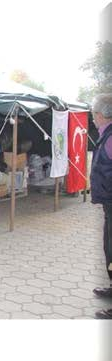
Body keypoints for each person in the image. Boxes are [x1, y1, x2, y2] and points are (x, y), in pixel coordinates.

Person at [90, 93, 112, 318]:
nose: (92, 119)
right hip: (108, 204)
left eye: (94, 114)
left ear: (100, 114)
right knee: (109, 248)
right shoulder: (105, 135)